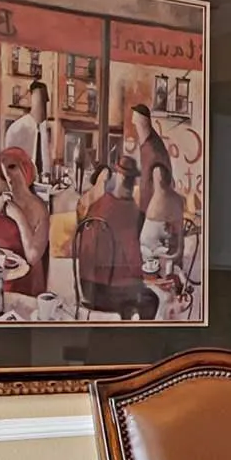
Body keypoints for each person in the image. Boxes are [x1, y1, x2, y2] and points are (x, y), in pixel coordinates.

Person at [74, 153, 155, 319]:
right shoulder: (131, 212)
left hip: (87, 289)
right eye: (129, 179)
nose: (131, 184)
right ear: (119, 177)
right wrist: (147, 275)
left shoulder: (98, 205)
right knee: (152, 299)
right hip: (109, 292)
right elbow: (133, 257)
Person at [0, 144, 52, 299]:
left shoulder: (39, 208)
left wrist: (18, 216)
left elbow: (32, 256)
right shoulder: (0, 202)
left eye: (12, 167)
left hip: (26, 284)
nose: (8, 176)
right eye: (4, 171)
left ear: (26, 168)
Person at [130, 102, 182, 272]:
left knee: (148, 248)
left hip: (154, 209)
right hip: (148, 204)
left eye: (136, 121)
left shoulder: (153, 149)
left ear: (142, 121)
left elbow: (160, 183)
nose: (133, 123)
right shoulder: (147, 143)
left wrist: (153, 214)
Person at [0, 78, 51, 181]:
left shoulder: (45, 130)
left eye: (45, 102)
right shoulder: (17, 129)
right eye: (41, 101)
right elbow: (7, 163)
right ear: (33, 99)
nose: (44, 108)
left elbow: (46, 161)